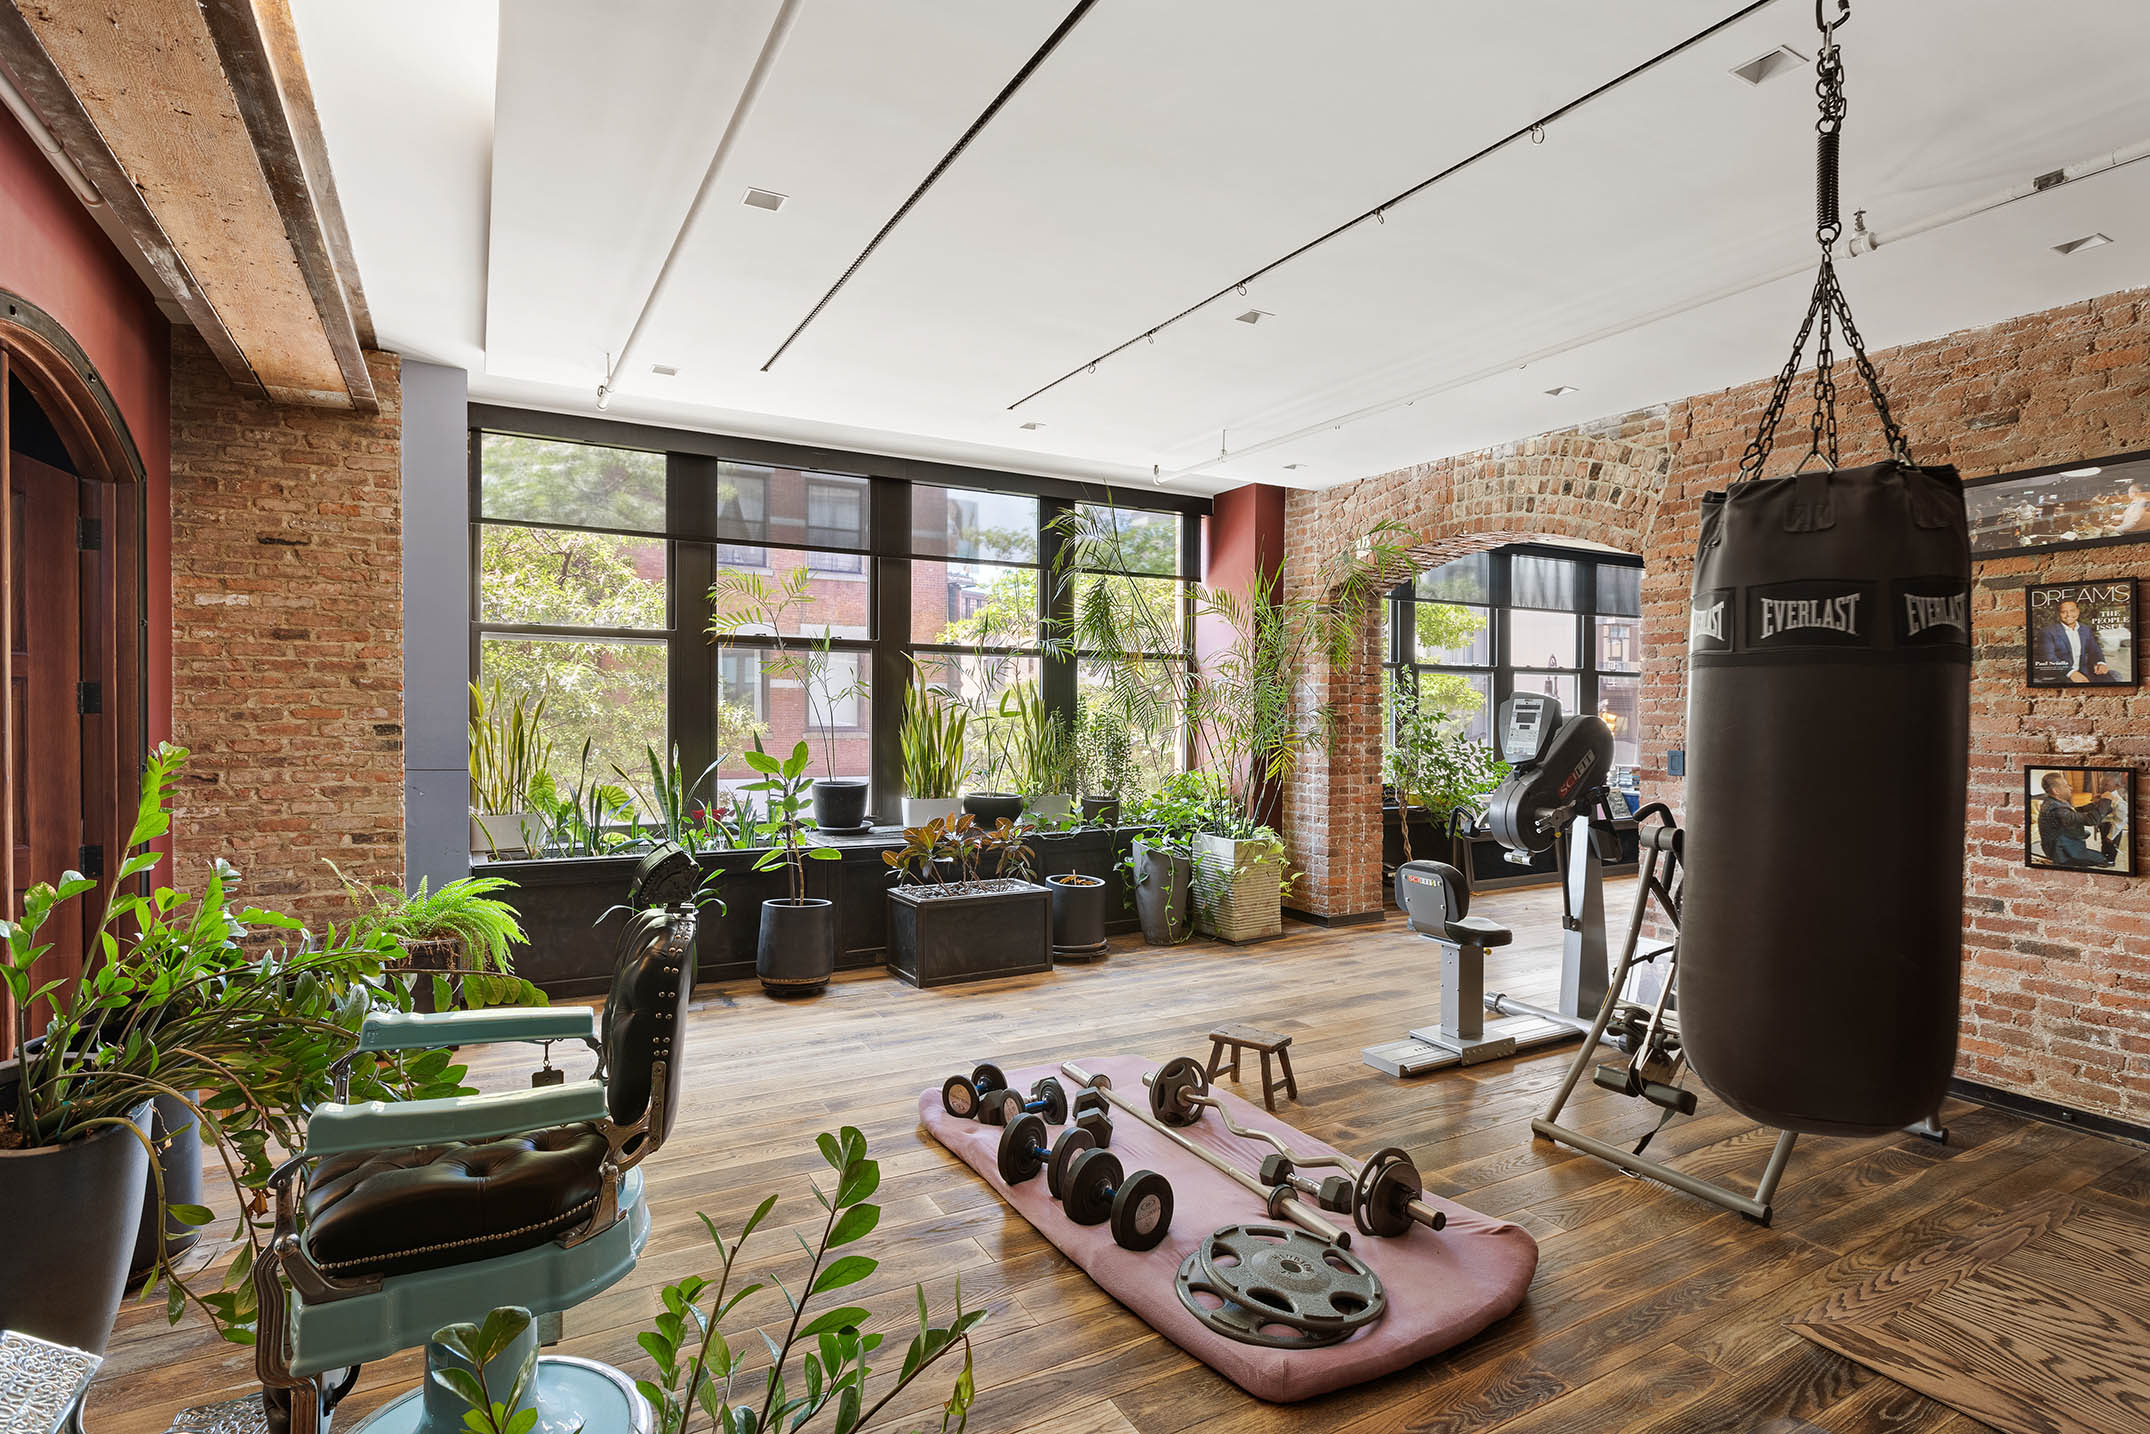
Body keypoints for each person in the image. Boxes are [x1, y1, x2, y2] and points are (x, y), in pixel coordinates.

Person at [2036, 771, 2114, 868]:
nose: (2070, 788)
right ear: (2056, 791)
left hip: (2063, 843)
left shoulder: (2054, 801)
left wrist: (2095, 804)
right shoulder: (2056, 809)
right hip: (2061, 852)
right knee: (2101, 859)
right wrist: (2106, 801)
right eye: (2066, 786)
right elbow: (2091, 820)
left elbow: (2074, 811)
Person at [2035, 598, 2115, 683]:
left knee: (2112, 684)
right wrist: (2071, 673)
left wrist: (2100, 663)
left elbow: (2094, 650)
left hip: (2084, 671)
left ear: (2078, 611)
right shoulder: (2047, 632)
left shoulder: (2085, 629)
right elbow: (2049, 658)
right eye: (2064, 612)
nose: (2068, 614)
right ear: (2058, 614)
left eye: (2072, 610)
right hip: (2060, 675)